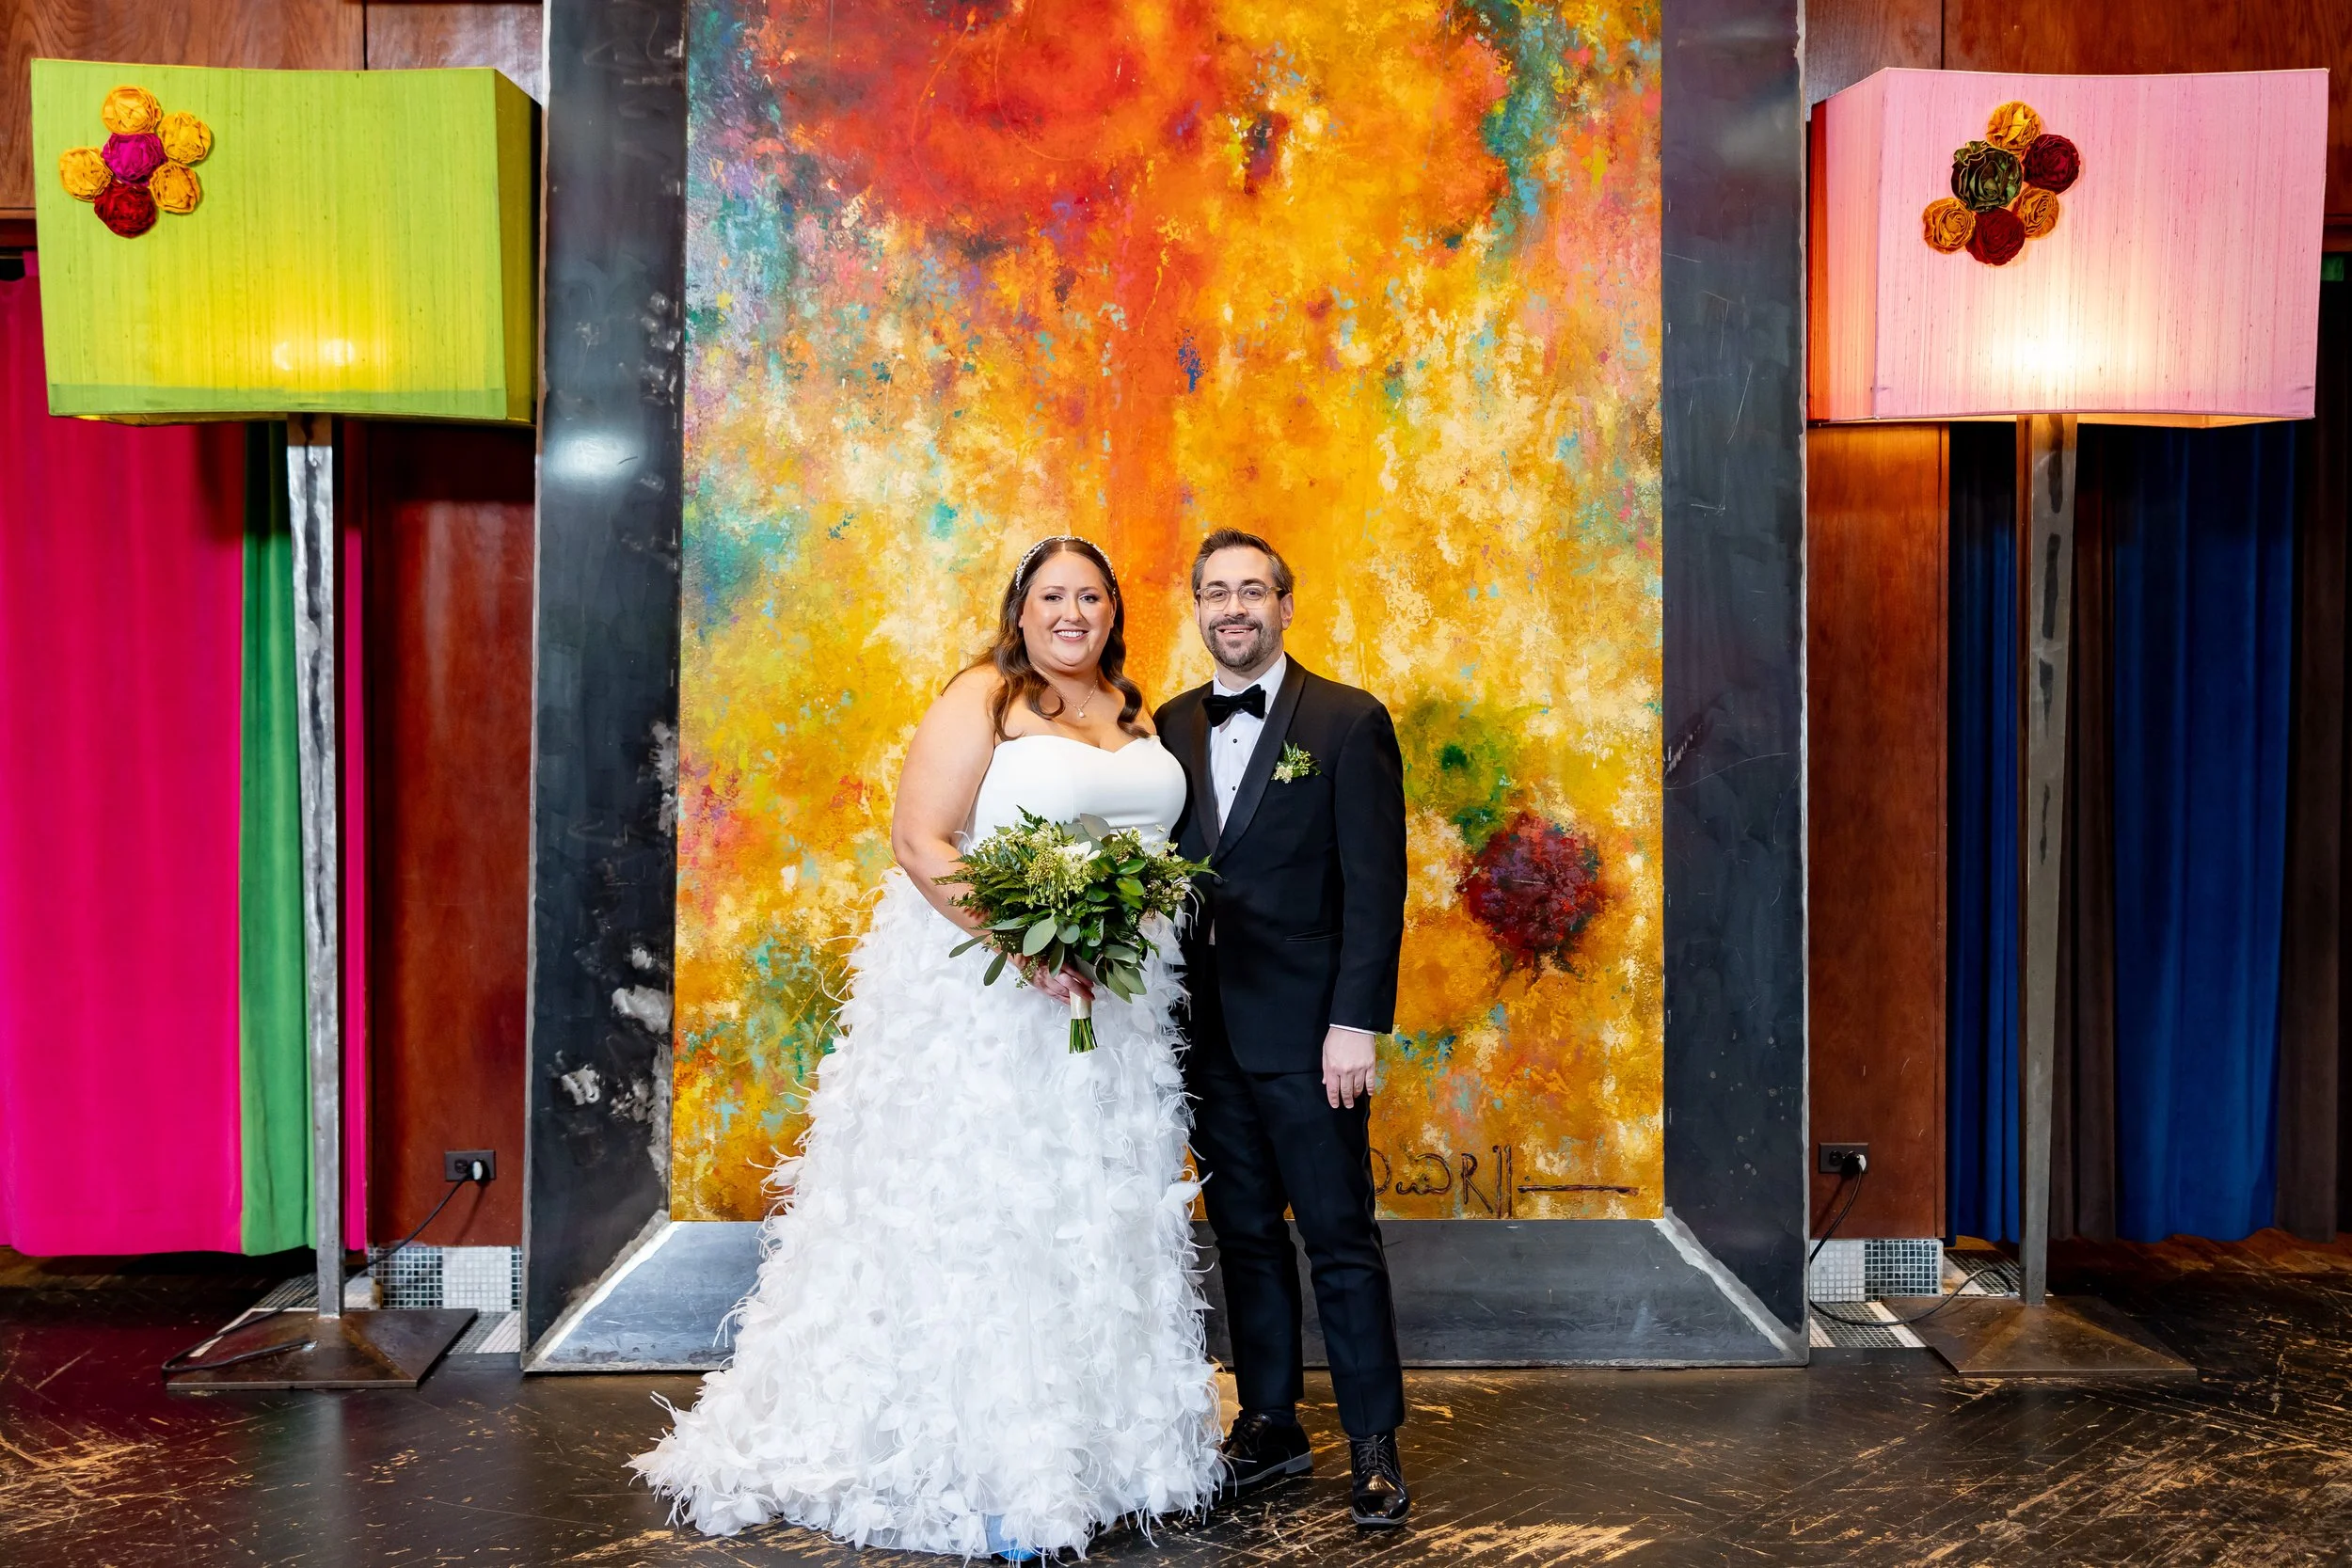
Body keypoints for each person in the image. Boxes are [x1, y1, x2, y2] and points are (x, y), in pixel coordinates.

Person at [633, 538, 1221, 1560]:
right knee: (997, 1220)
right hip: (996, 1006)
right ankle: (990, 1469)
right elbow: (921, 839)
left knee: (1092, 1221)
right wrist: (1025, 945)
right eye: (1052, 595)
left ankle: (1102, 1454)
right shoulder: (984, 694)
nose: (1071, 612)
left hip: (1115, 1014)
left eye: (1090, 595)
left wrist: (1106, 931)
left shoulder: (1135, 711)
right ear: (1020, 610)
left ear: (1114, 610)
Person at [1154, 529, 1412, 1528]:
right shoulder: (1171, 725)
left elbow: (1376, 890)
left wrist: (1355, 1022)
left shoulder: (1349, 721)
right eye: (1215, 592)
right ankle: (1270, 1422)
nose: (1233, 608)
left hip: (1312, 1034)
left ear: (1284, 604)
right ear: (1198, 608)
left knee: (1339, 1236)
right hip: (1203, 1030)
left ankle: (1375, 1444)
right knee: (1245, 1234)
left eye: (1251, 590)